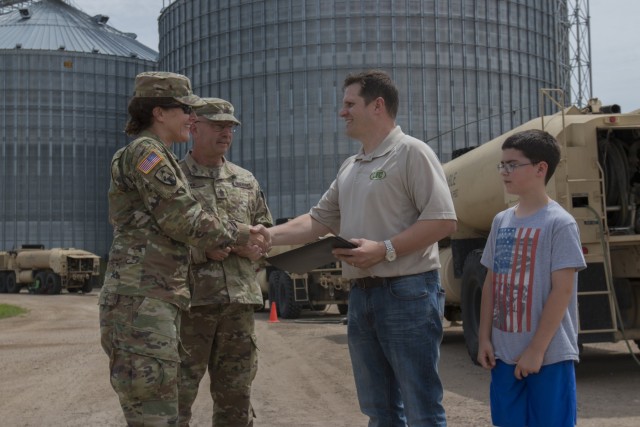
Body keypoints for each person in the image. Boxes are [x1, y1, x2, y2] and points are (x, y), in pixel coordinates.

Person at [268, 70, 457, 426]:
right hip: (362, 296)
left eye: (350, 104)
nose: (342, 112)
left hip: (408, 292)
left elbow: (443, 221)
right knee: (379, 409)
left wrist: (385, 249)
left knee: (421, 408)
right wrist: (267, 235)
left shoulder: (411, 153)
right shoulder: (351, 167)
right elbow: (318, 220)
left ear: (378, 106)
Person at [99, 72, 270, 426]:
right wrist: (240, 234)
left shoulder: (153, 152)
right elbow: (182, 215)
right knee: (158, 412)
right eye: (184, 110)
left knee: (165, 406)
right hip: (143, 298)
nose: (191, 119)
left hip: (156, 296)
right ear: (159, 112)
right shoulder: (148, 152)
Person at [477, 129, 587, 427]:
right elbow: (491, 283)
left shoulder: (559, 223)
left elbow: (562, 291)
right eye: (502, 165)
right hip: (503, 355)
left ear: (541, 169)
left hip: (548, 357)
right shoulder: (501, 221)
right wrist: (484, 337)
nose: (504, 171)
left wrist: (536, 350)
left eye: (513, 164)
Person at [177, 98, 273, 426]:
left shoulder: (245, 180)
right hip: (189, 305)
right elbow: (152, 241)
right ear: (193, 127)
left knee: (236, 395)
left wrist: (257, 250)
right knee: (177, 393)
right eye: (217, 125)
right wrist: (199, 251)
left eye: (230, 127)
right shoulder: (173, 179)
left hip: (239, 304)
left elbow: (265, 231)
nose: (226, 132)